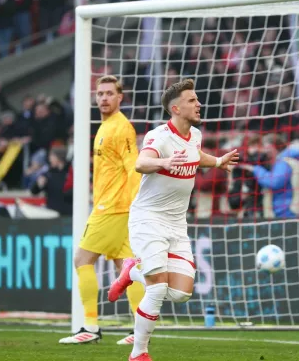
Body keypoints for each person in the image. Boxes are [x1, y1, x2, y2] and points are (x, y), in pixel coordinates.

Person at [107, 78, 238, 361]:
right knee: (156, 290)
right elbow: (141, 163)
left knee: (181, 293)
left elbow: (194, 155)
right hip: (148, 220)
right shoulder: (159, 137)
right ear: (176, 109)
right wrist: (163, 163)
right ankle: (138, 353)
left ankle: (131, 271)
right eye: (192, 100)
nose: (199, 103)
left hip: (177, 225)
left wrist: (217, 161)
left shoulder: (196, 135)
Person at [59, 75, 144, 345]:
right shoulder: (105, 127)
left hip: (113, 208)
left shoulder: (122, 128)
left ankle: (91, 327)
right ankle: (140, 329)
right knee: (126, 268)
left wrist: (136, 205)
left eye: (109, 93)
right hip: (117, 208)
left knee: (82, 260)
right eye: (100, 94)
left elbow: (134, 169)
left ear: (120, 97)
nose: (104, 98)